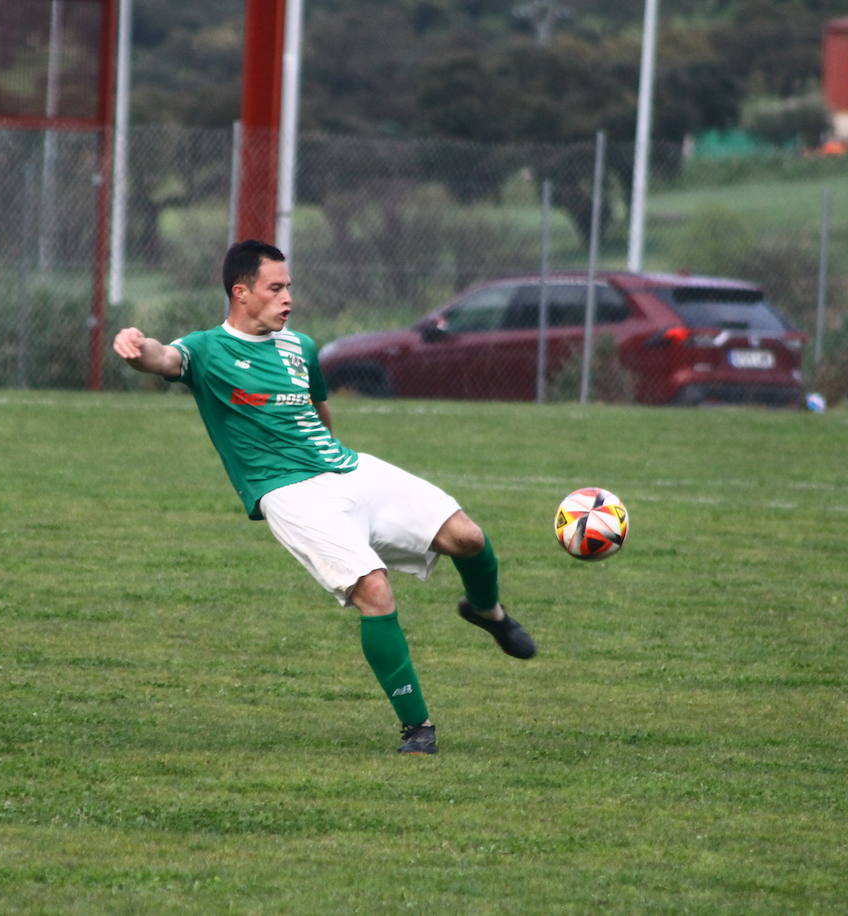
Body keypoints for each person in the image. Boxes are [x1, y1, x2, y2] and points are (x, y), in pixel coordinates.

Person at [113, 239, 535, 755]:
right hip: (289, 494)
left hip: (345, 468)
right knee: (375, 592)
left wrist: (338, 456)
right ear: (241, 293)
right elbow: (162, 358)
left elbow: (318, 412)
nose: (287, 296)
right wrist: (137, 345)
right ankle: (417, 727)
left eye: (289, 286)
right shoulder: (207, 350)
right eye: (275, 288)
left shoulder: (301, 346)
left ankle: (487, 612)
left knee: (467, 536)